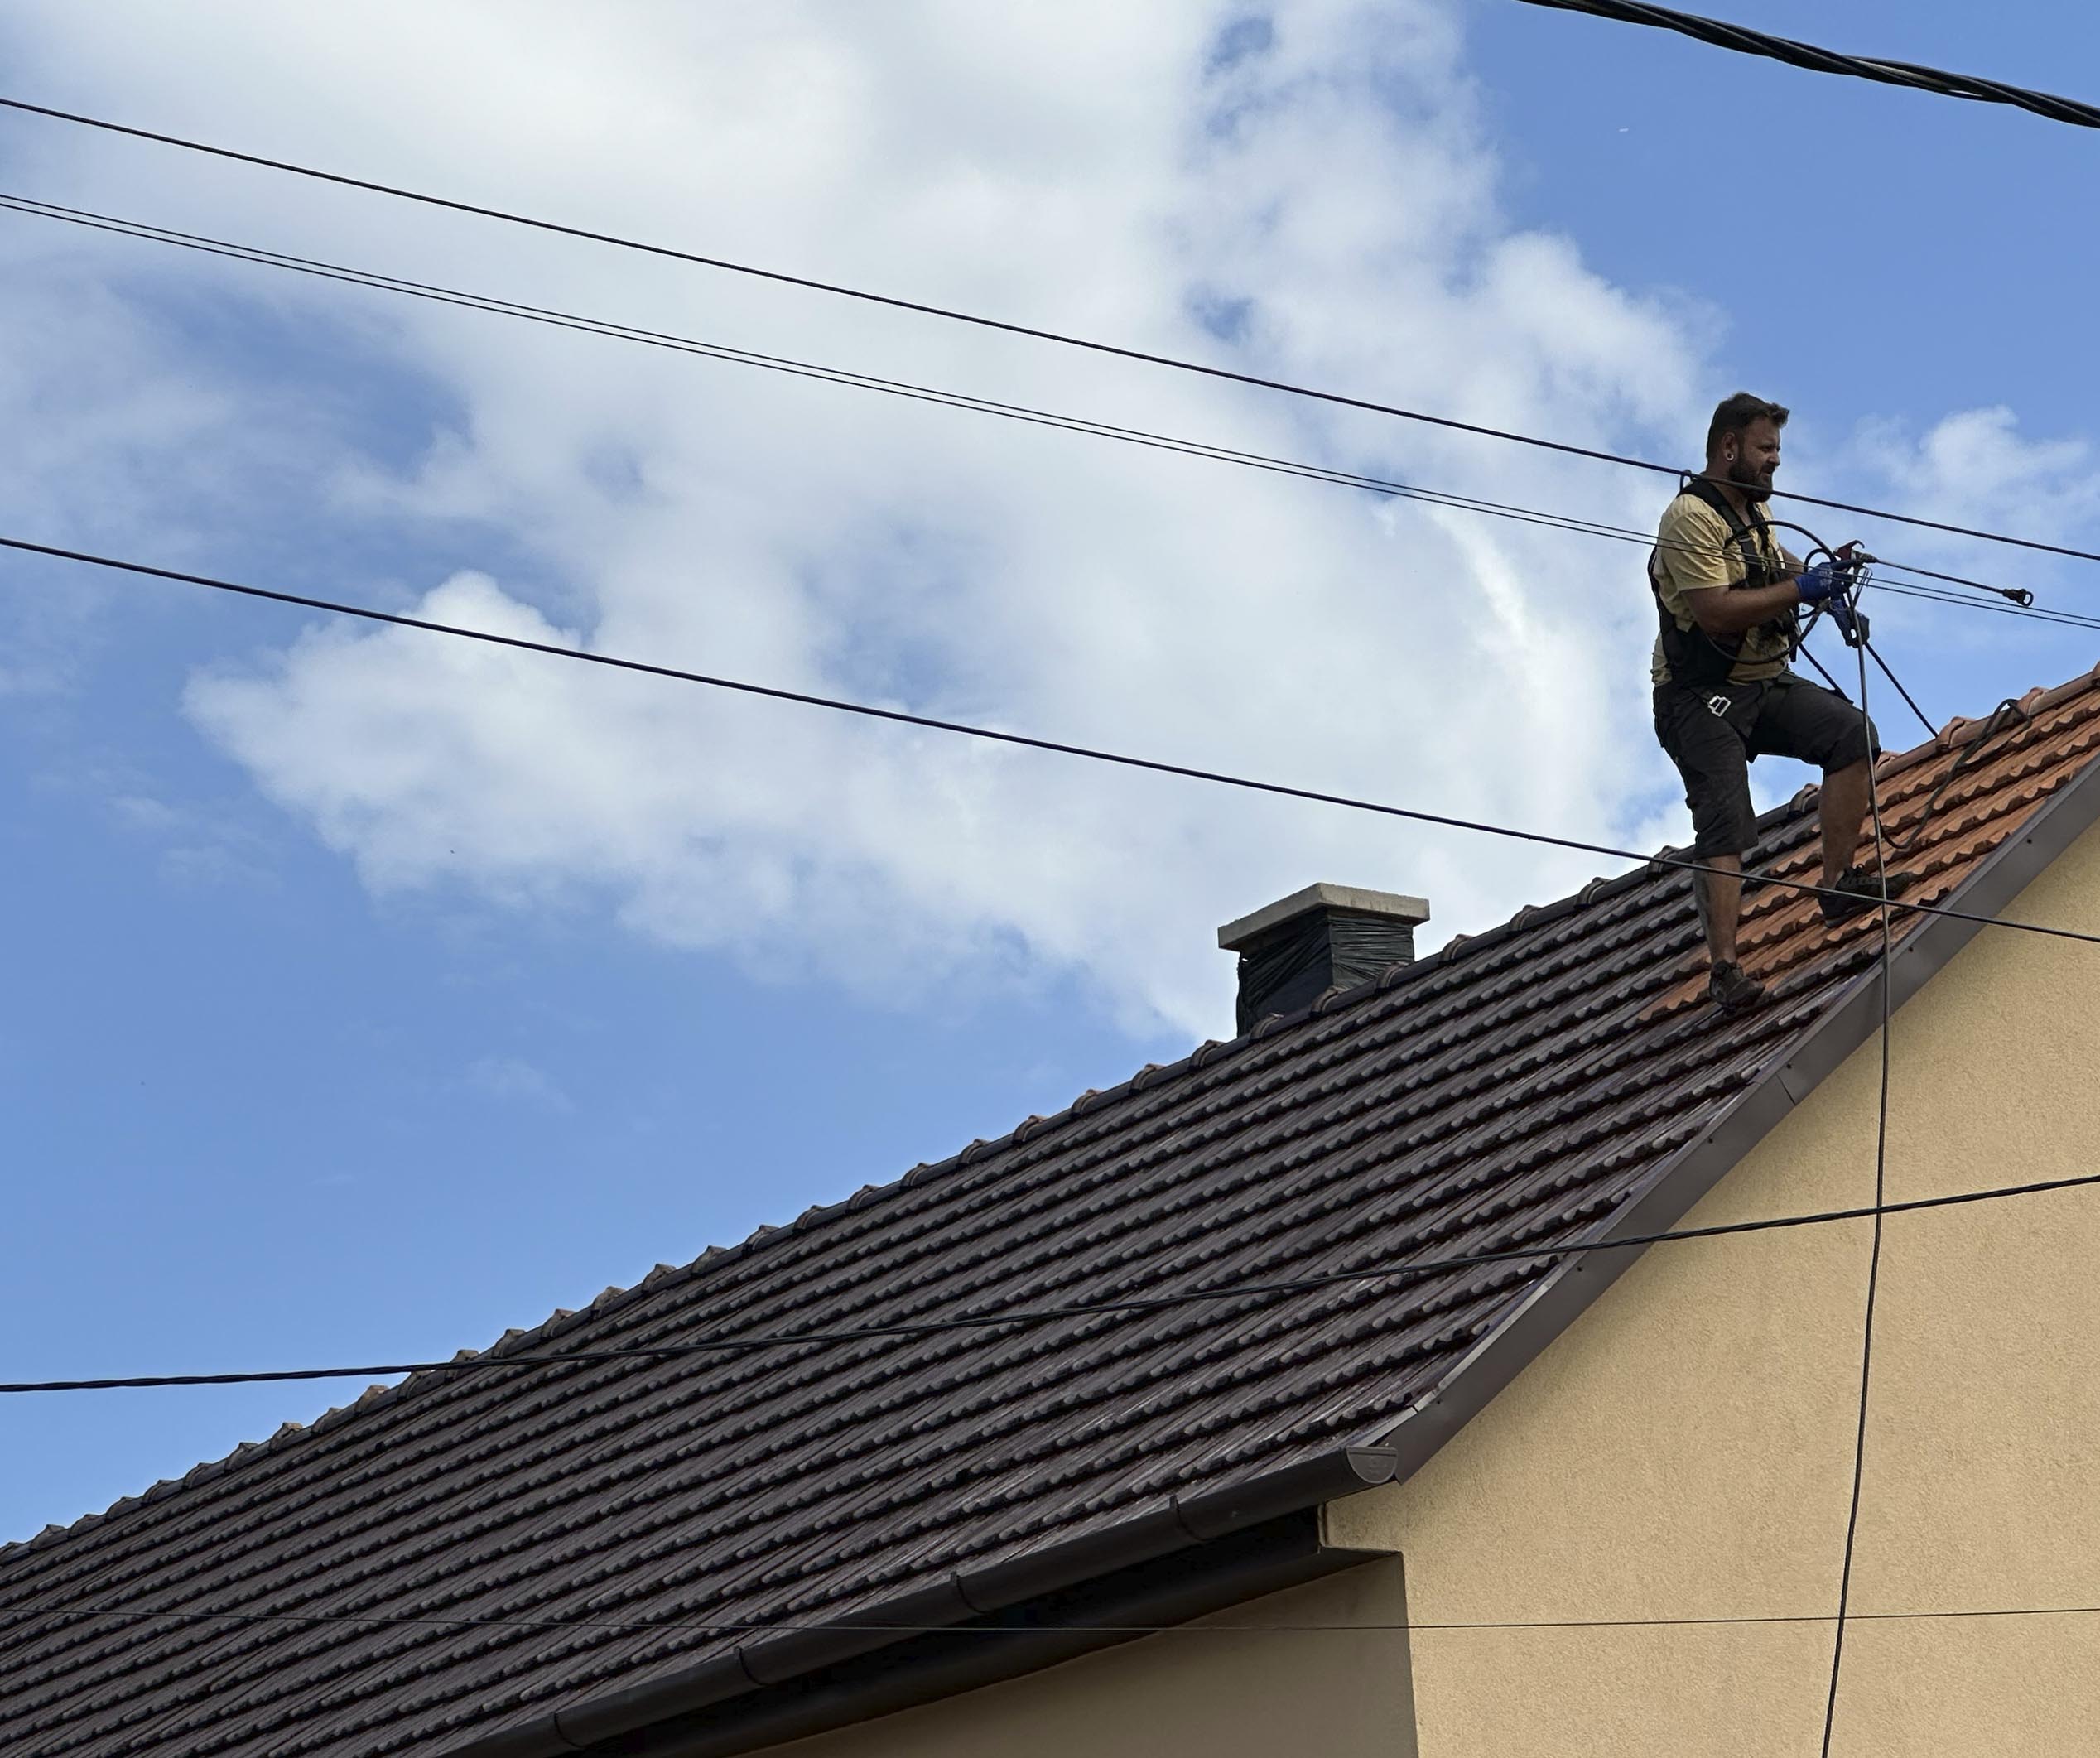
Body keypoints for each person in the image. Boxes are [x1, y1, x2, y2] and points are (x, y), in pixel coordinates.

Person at [1650, 393, 1913, 1015]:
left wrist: (1831, 591)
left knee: (1852, 735)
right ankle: (1725, 969)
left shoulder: (1755, 513)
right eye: (1766, 449)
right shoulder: (1690, 517)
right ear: (1729, 447)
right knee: (1725, 820)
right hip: (1697, 698)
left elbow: (1781, 565)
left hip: (1762, 682)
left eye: (1777, 450)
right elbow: (1714, 607)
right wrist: (1803, 586)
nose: (1774, 462)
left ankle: (1839, 884)